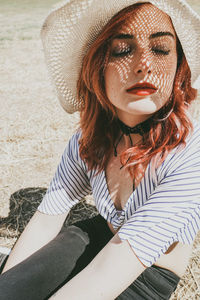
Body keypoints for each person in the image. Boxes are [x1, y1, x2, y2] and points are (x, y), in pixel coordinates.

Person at [0, 0, 200, 299]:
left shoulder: (191, 152)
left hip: (147, 275)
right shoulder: (88, 139)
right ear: (95, 68)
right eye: (121, 50)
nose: (144, 63)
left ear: (178, 67)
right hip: (95, 236)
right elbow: (47, 218)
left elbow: (110, 269)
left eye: (160, 49)